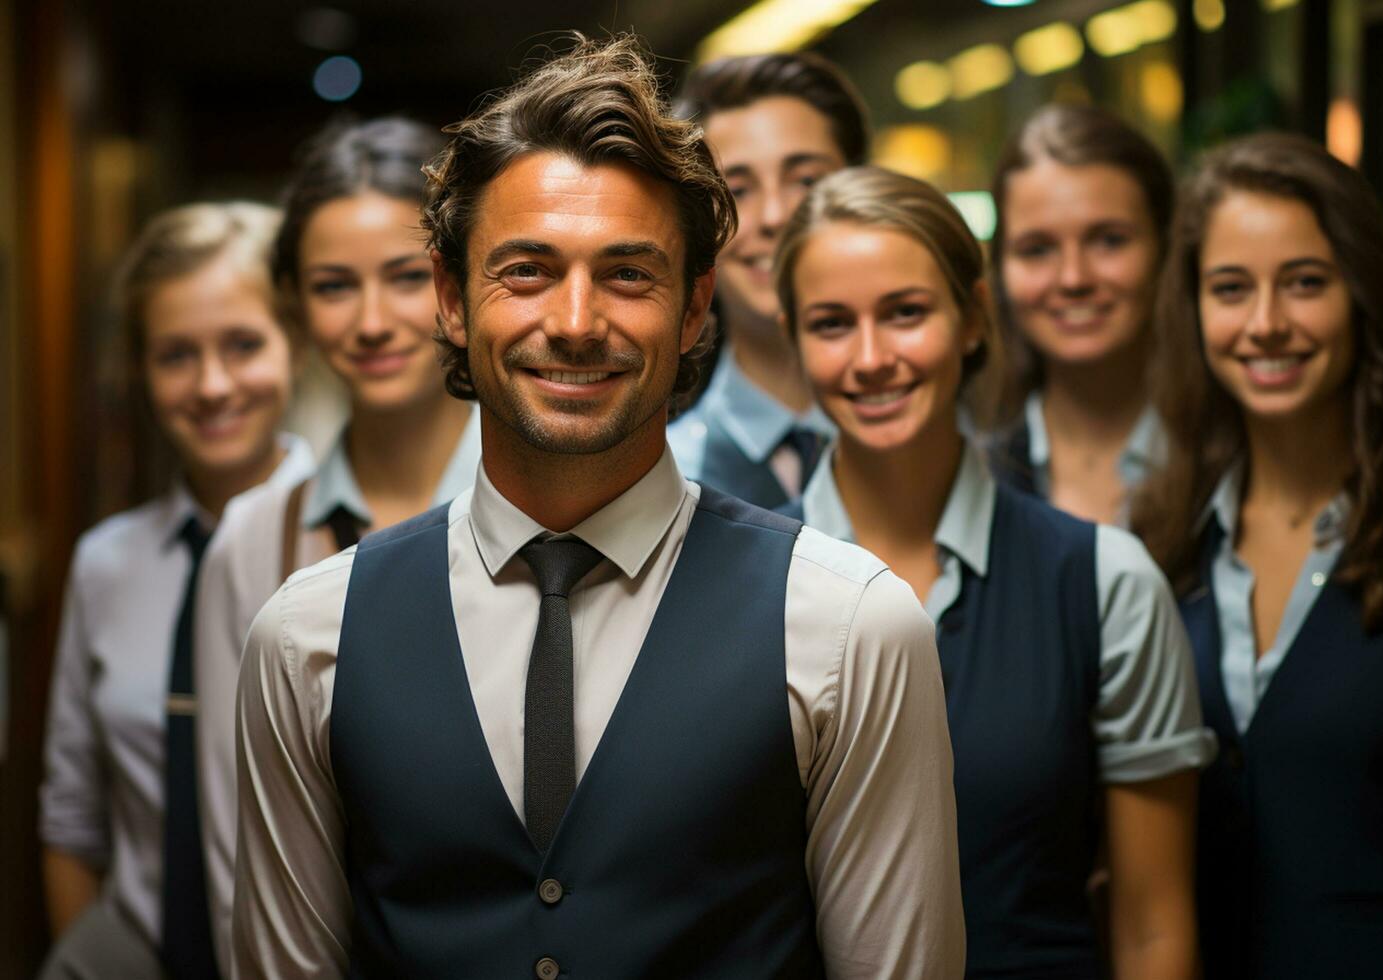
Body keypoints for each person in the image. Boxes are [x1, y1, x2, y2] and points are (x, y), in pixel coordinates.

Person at [230, 35, 965, 979]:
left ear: (696, 305)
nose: (576, 324)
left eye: (628, 274)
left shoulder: (849, 625)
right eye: (526, 271)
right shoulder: (307, 636)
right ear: (452, 300)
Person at [775, 166, 1214, 978]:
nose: (872, 359)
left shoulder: (1102, 582)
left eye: (906, 314)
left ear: (973, 318)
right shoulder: (742, 580)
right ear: (795, 341)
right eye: (832, 323)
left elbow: (1153, 928)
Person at [1132, 133, 1383, 979]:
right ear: (1194, 310)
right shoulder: (1158, 541)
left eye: (1306, 283)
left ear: (1364, 296)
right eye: (1231, 289)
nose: (1267, 324)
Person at [192, 117, 481, 966]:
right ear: (291, 302)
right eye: (331, 286)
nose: (372, 321)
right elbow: (234, 831)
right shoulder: (259, 534)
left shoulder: (554, 509)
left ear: (459, 280)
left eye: (403, 277)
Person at [38, 202, 312, 980]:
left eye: (243, 345)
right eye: (175, 355)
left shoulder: (356, 547)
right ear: (141, 369)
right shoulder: (105, 563)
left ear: (294, 343)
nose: (213, 384)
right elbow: (71, 811)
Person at [666, 52, 870, 508]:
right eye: (736, 189)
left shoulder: (950, 445)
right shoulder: (668, 479)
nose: (776, 216)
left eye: (806, 181)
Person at [984, 104, 1174, 525]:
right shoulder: (970, 471)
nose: (1074, 278)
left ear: (1165, 248)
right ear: (999, 268)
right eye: (1037, 249)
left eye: (1109, 240)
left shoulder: (1235, 458)